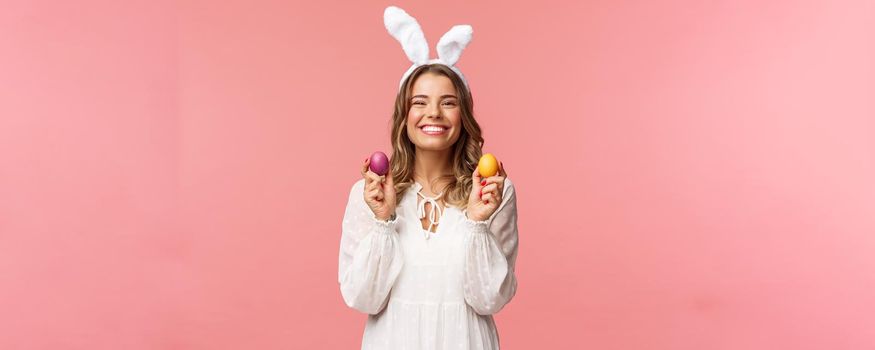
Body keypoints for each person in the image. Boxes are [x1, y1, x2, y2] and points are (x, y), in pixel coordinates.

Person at [337, 6, 519, 349]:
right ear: (404, 116)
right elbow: (363, 299)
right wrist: (384, 220)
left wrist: (478, 222)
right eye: (419, 102)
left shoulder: (494, 193)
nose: (433, 112)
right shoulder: (371, 195)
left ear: (463, 115)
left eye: (448, 102)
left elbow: (489, 300)